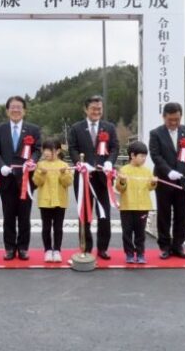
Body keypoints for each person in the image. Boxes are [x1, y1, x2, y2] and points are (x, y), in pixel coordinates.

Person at [149, 102, 185, 260]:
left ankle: (178, 245)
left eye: (177, 119)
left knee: (181, 214)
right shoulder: (156, 133)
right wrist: (168, 171)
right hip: (165, 180)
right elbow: (156, 156)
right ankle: (165, 246)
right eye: (170, 120)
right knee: (164, 214)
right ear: (164, 117)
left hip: (184, 180)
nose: (174, 123)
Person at [67, 95, 119, 259]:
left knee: (104, 214)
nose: (97, 111)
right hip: (83, 178)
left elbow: (115, 147)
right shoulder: (76, 128)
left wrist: (110, 162)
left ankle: (103, 248)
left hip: (103, 177)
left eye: (99, 109)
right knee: (84, 213)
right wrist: (80, 163)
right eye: (93, 109)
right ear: (86, 109)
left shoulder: (109, 127)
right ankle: (86, 246)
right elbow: (72, 149)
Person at [0, 95, 41, 260]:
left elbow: (37, 150)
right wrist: (1, 166)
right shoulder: (0, 129)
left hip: (26, 180)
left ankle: (23, 248)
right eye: (12, 107)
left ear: (24, 110)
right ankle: (10, 248)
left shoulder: (33, 129)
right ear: (7, 111)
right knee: (8, 216)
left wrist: (32, 161)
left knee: (25, 216)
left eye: (19, 107)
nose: (16, 110)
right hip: (6, 180)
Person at [116, 141, 157, 264]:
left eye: (145, 156)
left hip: (143, 207)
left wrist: (153, 182)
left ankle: (140, 253)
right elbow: (119, 188)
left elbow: (150, 188)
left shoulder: (147, 171)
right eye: (141, 156)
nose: (144, 159)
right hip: (127, 206)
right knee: (127, 232)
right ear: (132, 155)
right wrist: (122, 181)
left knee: (140, 232)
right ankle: (129, 253)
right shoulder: (124, 170)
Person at [32, 139, 73, 263]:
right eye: (45, 150)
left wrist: (63, 174)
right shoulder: (40, 165)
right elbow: (36, 182)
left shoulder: (64, 165)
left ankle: (57, 250)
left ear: (58, 151)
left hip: (60, 201)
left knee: (58, 227)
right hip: (45, 201)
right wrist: (42, 174)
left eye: (50, 150)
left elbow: (68, 182)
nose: (46, 152)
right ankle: (48, 250)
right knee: (46, 227)